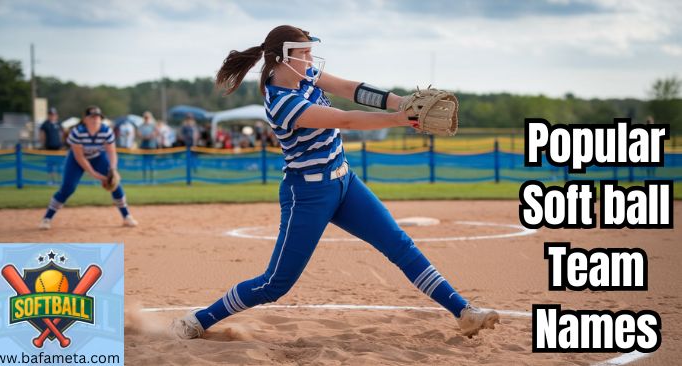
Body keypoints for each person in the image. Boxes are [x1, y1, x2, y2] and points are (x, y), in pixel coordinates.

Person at [171, 25, 498, 340]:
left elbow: (351, 89)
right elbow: (345, 118)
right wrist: (398, 120)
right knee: (275, 284)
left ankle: (463, 312)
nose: (311, 61)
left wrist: (400, 103)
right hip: (308, 194)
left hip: (344, 182)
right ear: (283, 59)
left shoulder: (305, 75)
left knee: (400, 245)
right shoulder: (283, 102)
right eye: (305, 54)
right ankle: (199, 320)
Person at [39, 106, 138, 230]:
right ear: (85, 119)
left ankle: (126, 217)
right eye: (92, 117)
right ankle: (47, 218)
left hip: (98, 156)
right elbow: (80, 158)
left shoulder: (106, 131)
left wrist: (112, 169)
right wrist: (97, 176)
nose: (96, 119)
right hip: (76, 159)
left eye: (98, 117)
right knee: (68, 188)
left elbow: (112, 152)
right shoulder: (78, 132)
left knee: (115, 184)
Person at [39, 107, 64, 183]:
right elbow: (42, 135)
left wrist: (62, 144)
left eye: (54, 114)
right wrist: (43, 145)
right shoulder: (45, 124)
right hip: (49, 148)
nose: (52, 116)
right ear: (48, 115)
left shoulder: (59, 123)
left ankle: (60, 180)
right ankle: (51, 180)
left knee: (59, 165)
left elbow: (62, 134)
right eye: (51, 114)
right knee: (50, 165)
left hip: (58, 148)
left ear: (56, 115)